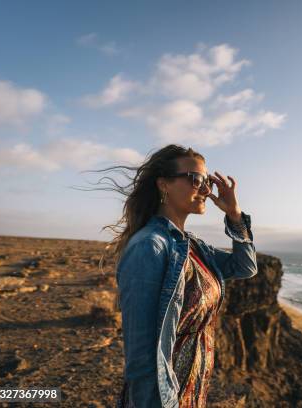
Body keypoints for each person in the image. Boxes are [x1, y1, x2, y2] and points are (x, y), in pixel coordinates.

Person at [101, 144, 257, 408]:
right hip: (163, 399)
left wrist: (234, 215)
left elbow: (245, 267)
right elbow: (142, 356)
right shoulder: (149, 247)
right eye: (196, 180)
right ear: (164, 185)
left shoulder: (191, 245)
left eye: (207, 181)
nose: (207, 190)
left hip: (192, 392)